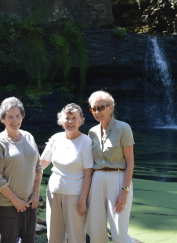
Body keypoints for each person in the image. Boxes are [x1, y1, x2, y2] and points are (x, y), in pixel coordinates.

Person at [0, 97, 43, 243]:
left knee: (29, 240)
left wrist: (36, 194)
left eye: (18, 116)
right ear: (3, 119)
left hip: (29, 202)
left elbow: (38, 167)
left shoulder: (29, 136)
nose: (15, 120)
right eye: (10, 116)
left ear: (22, 116)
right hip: (7, 205)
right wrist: (15, 201)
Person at [86, 90, 135, 243]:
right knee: (96, 231)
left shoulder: (123, 128)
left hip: (118, 179)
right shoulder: (92, 132)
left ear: (111, 108)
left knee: (119, 231)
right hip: (97, 181)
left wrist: (124, 190)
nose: (97, 112)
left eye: (101, 107)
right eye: (94, 109)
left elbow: (130, 162)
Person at [40, 103, 93, 243]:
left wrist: (83, 199)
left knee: (76, 238)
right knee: (54, 237)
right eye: (67, 118)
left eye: (74, 118)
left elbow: (88, 174)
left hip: (75, 197)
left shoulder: (85, 141)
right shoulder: (55, 138)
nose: (70, 122)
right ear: (61, 119)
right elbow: (41, 165)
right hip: (53, 194)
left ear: (80, 120)